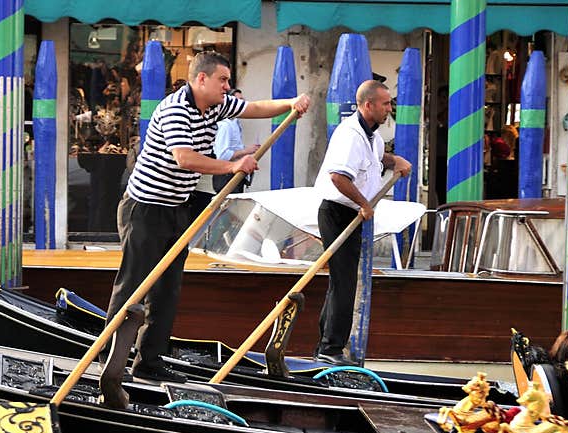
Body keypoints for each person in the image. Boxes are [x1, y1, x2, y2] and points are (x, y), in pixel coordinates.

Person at [105, 50, 310, 383]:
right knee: (133, 287)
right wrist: (232, 165)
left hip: (177, 207)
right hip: (145, 209)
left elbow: (255, 108)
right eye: (223, 80)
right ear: (201, 79)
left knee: (168, 291)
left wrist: (290, 103)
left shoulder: (216, 104)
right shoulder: (175, 110)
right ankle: (108, 361)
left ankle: (149, 361)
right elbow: (185, 158)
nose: (228, 87)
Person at [312, 79, 411, 366]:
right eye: (385, 104)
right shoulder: (351, 135)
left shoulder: (372, 137)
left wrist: (396, 161)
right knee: (343, 283)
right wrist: (364, 204)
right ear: (368, 105)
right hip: (337, 212)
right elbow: (338, 177)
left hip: (351, 213)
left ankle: (326, 345)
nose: (389, 109)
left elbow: (377, 157)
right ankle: (330, 349)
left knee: (342, 282)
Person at [211, 88, 259, 193]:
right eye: (237, 100)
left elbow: (234, 147)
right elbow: (222, 155)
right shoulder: (225, 125)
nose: (241, 103)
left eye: (242, 100)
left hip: (235, 174)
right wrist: (246, 151)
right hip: (226, 176)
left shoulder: (235, 122)